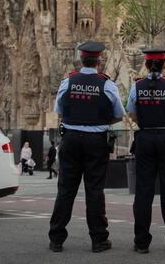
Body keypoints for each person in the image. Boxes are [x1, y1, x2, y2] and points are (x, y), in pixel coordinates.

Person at [48, 40, 125, 253]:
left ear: (81, 59)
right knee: (94, 191)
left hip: (71, 139)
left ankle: (56, 239)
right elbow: (118, 114)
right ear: (99, 60)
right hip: (96, 142)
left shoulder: (68, 82)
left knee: (65, 190)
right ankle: (99, 240)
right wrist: (99, 121)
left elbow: (59, 109)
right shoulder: (107, 84)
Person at [126, 49, 165, 254]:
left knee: (143, 192)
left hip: (144, 139)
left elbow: (132, 115)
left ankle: (141, 242)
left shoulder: (137, 86)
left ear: (145, 65)